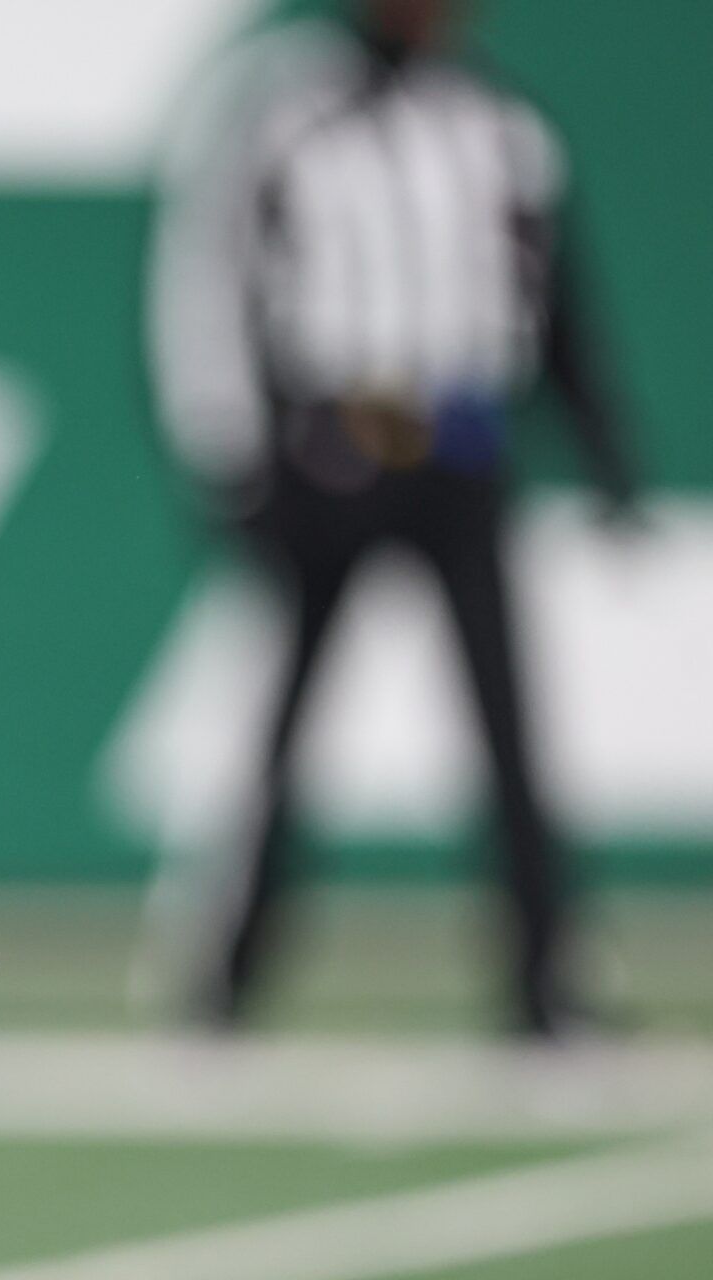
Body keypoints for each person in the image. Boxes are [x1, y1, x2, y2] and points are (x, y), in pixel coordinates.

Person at [147, 0, 638, 1036]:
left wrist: (604, 449)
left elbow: (557, 299)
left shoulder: (502, 126)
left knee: (509, 726)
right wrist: (235, 449)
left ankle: (547, 983)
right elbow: (215, 279)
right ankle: (227, 975)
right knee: (284, 727)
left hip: (464, 450)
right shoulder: (290, 117)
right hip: (338, 447)